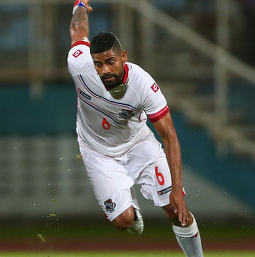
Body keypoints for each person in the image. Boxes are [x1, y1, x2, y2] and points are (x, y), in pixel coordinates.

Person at [67, 1, 204, 256]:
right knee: (124, 221)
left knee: (177, 212)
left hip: (139, 145)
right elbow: (78, 29)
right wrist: (80, 5)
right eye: (98, 64)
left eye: (110, 62)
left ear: (123, 57)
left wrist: (177, 190)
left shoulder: (142, 84)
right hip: (98, 152)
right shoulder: (79, 66)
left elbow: (169, 137)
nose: (104, 70)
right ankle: (129, 206)